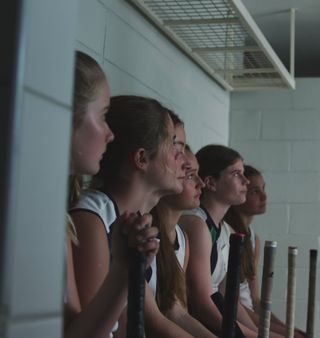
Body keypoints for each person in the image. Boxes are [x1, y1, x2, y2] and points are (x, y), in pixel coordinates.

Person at [70, 95, 193, 337]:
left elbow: (139, 322)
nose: (185, 160)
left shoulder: (137, 224)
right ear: (142, 159)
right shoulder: (93, 219)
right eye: (173, 145)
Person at [64, 51, 160, 338]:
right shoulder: (83, 215)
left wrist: (124, 270)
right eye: (103, 117)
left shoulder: (55, 217)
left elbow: (75, 333)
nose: (110, 133)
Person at [179, 145, 286, 338]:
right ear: (211, 183)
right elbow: (201, 305)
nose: (245, 181)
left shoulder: (227, 231)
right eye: (237, 174)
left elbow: (229, 299)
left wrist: (260, 333)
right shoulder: (196, 224)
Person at [223, 165, 306, 338]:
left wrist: (288, 329)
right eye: (254, 191)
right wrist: (281, 333)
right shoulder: (228, 236)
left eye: (263, 188)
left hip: (250, 317)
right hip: (236, 320)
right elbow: (234, 304)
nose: (264, 196)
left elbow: (255, 300)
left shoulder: (254, 238)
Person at [152, 138, 219, 338]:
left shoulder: (182, 238)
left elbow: (178, 312)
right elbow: (156, 318)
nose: (200, 183)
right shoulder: (146, 231)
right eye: (190, 175)